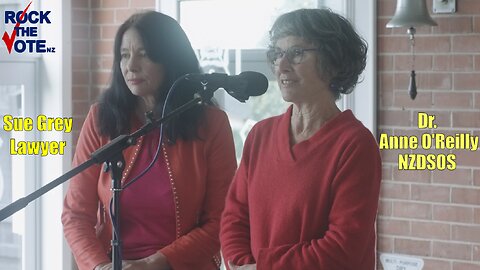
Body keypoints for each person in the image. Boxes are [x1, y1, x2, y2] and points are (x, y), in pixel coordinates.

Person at [62, 11, 237, 270]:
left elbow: (221, 219)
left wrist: (153, 264)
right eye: (124, 55)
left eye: (143, 54)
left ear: (170, 59)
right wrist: (99, 266)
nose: (130, 65)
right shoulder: (101, 119)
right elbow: (76, 214)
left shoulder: (212, 123)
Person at [220, 8, 381, 270]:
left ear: (332, 62)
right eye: (277, 54)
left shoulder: (355, 144)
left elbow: (343, 247)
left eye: (296, 53)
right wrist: (241, 265)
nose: (281, 66)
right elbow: (234, 217)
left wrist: (262, 267)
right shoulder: (260, 135)